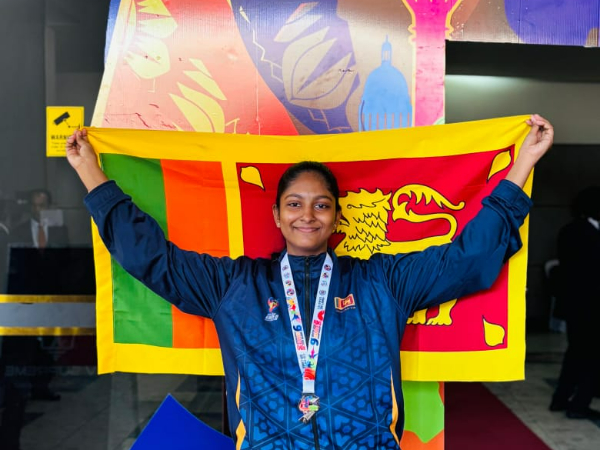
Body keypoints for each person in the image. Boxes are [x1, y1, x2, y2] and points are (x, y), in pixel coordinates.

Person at [66, 115, 553, 449]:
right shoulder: (235, 285)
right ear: (277, 216)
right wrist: (91, 174)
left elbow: (467, 260)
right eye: (294, 204)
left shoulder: (381, 281)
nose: (307, 215)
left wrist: (521, 166)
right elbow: (153, 259)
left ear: (337, 218)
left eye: (321, 204)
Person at [549, 186, 600, 420]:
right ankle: (579, 404)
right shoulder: (585, 233)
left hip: (576, 305)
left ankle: (560, 399)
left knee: (575, 354)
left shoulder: (570, 230)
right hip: (588, 305)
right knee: (591, 356)